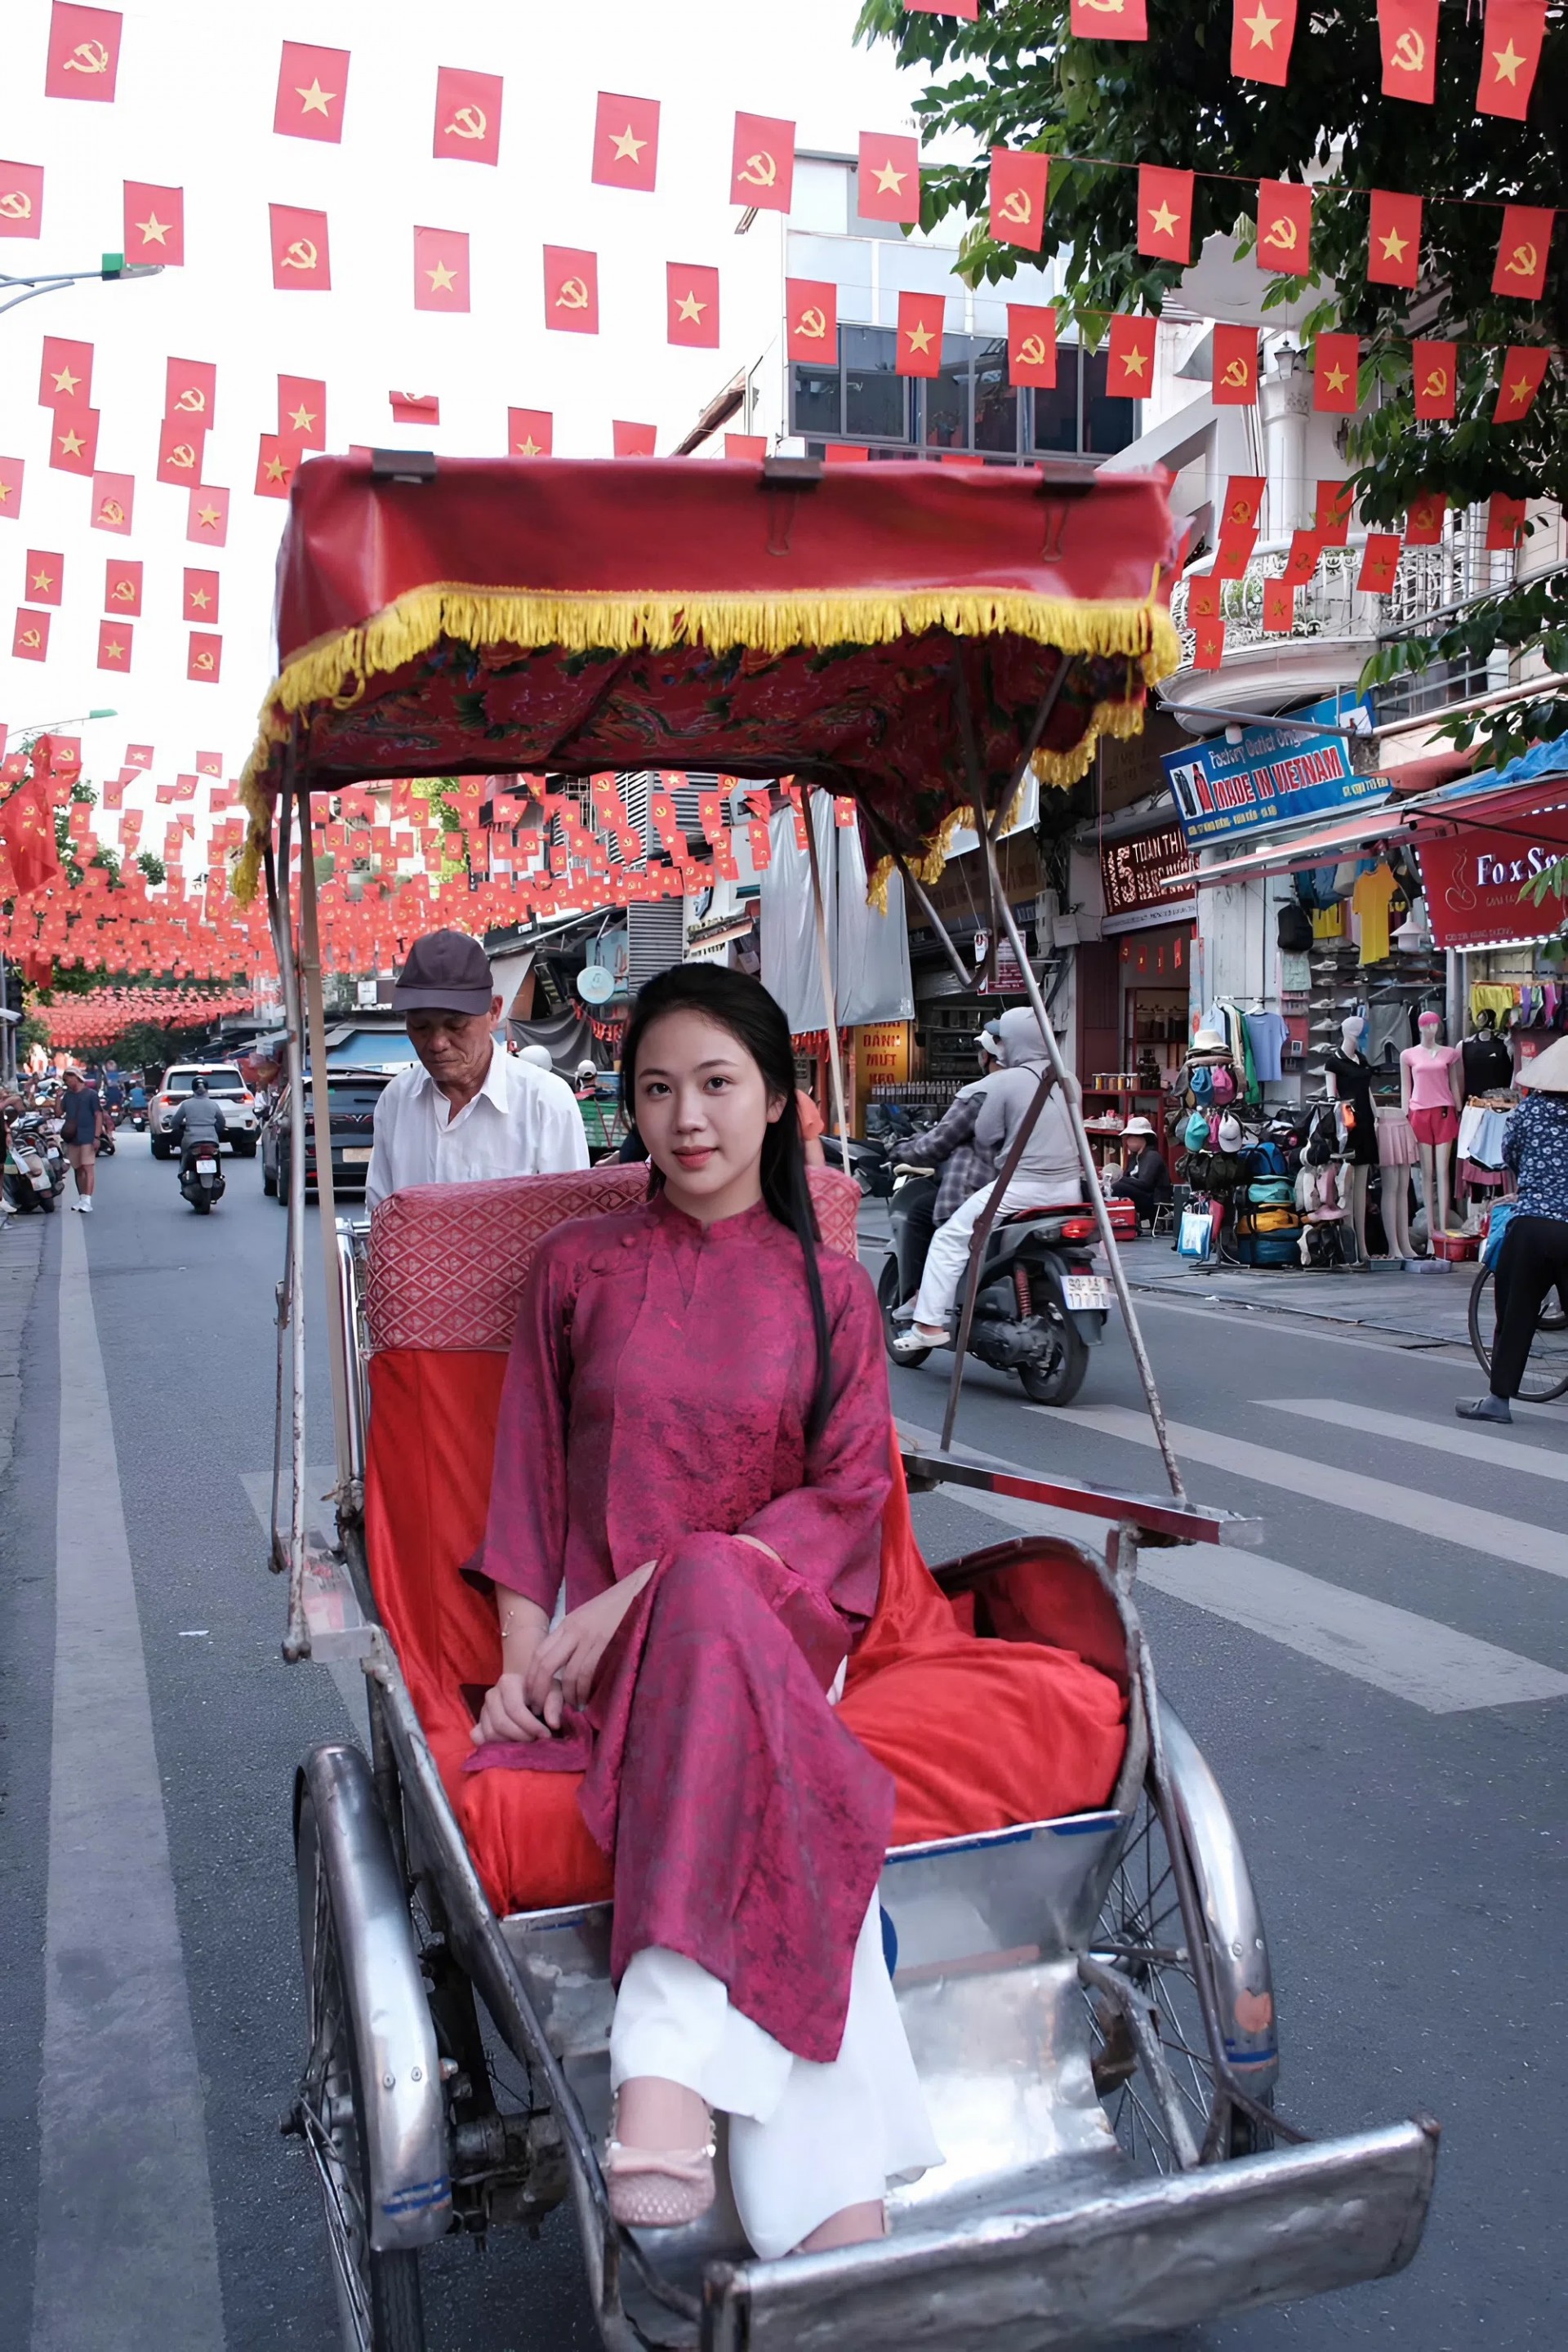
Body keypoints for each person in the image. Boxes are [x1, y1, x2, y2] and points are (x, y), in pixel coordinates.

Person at [469, 965, 942, 2256]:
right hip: (627, 1664)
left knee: (721, 1581)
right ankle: (840, 2223)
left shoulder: (830, 1290)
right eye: (659, 1088)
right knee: (723, 1634)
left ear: (781, 1103)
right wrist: (522, 1657)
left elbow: (849, 1504)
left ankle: (665, 2049)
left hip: (782, 1626)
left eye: (720, 1085)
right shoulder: (578, 1267)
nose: (688, 1118)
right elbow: (526, 1473)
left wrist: (656, 1580)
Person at [893, 1006, 1083, 1355]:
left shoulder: (1004, 1081)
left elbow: (985, 1133)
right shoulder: (1068, 1078)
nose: (999, 1045)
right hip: (1069, 1188)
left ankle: (929, 1323)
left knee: (949, 1238)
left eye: (1001, 1039)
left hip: (1023, 1187)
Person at [366, 929, 587, 1210]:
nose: (437, 1043)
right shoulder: (396, 1101)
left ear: (494, 1012)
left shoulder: (546, 1102)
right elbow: (382, 1217)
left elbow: (568, 1224)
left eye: (456, 1025)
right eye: (420, 1026)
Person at [1458, 1034, 1568, 1423]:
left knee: (1516, 1312)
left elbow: (1511, 1157)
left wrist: (1534, 1186)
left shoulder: (1528, 1112)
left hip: (1534, 1225)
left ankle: (1498, 1400)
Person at [1110, 1116, 1172, 1228]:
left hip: (1154, 1200)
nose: (1128, 1141)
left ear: (1142, 1138)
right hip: (1142, 1196)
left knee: (1118, 1187)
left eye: (1131, 1137)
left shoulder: (1153, 1157)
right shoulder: (1134, 1158)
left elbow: (1146, 1184)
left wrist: (1121, 1179)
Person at [59, 1068, 103, 1213]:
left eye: (67, 1079)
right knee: (77, 1169)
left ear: (75, 1077)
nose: (66, 1082)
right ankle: (81, 1198)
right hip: (73, 1137)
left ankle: (87, 1200)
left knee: (87, 1167)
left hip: (87, 1136)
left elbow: (98, 1115)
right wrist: (57, 1098)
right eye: (64, 1080)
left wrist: (96, 1136)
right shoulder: (67, 1096)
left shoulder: (91, 1095)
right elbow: (59, 1113)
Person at [167, 1076, 228, 1174]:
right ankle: (218, 1176)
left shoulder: (186, 1104)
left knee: (185, 1157)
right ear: (207, 1089)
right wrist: (214, 1128)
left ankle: (182, 1173)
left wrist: (177, 1128)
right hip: (211, 1139)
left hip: (191, 1139)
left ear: (193, 1089)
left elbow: (175, 1122)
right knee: (217, 1156)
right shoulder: (213, 1104)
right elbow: (221, 1122)